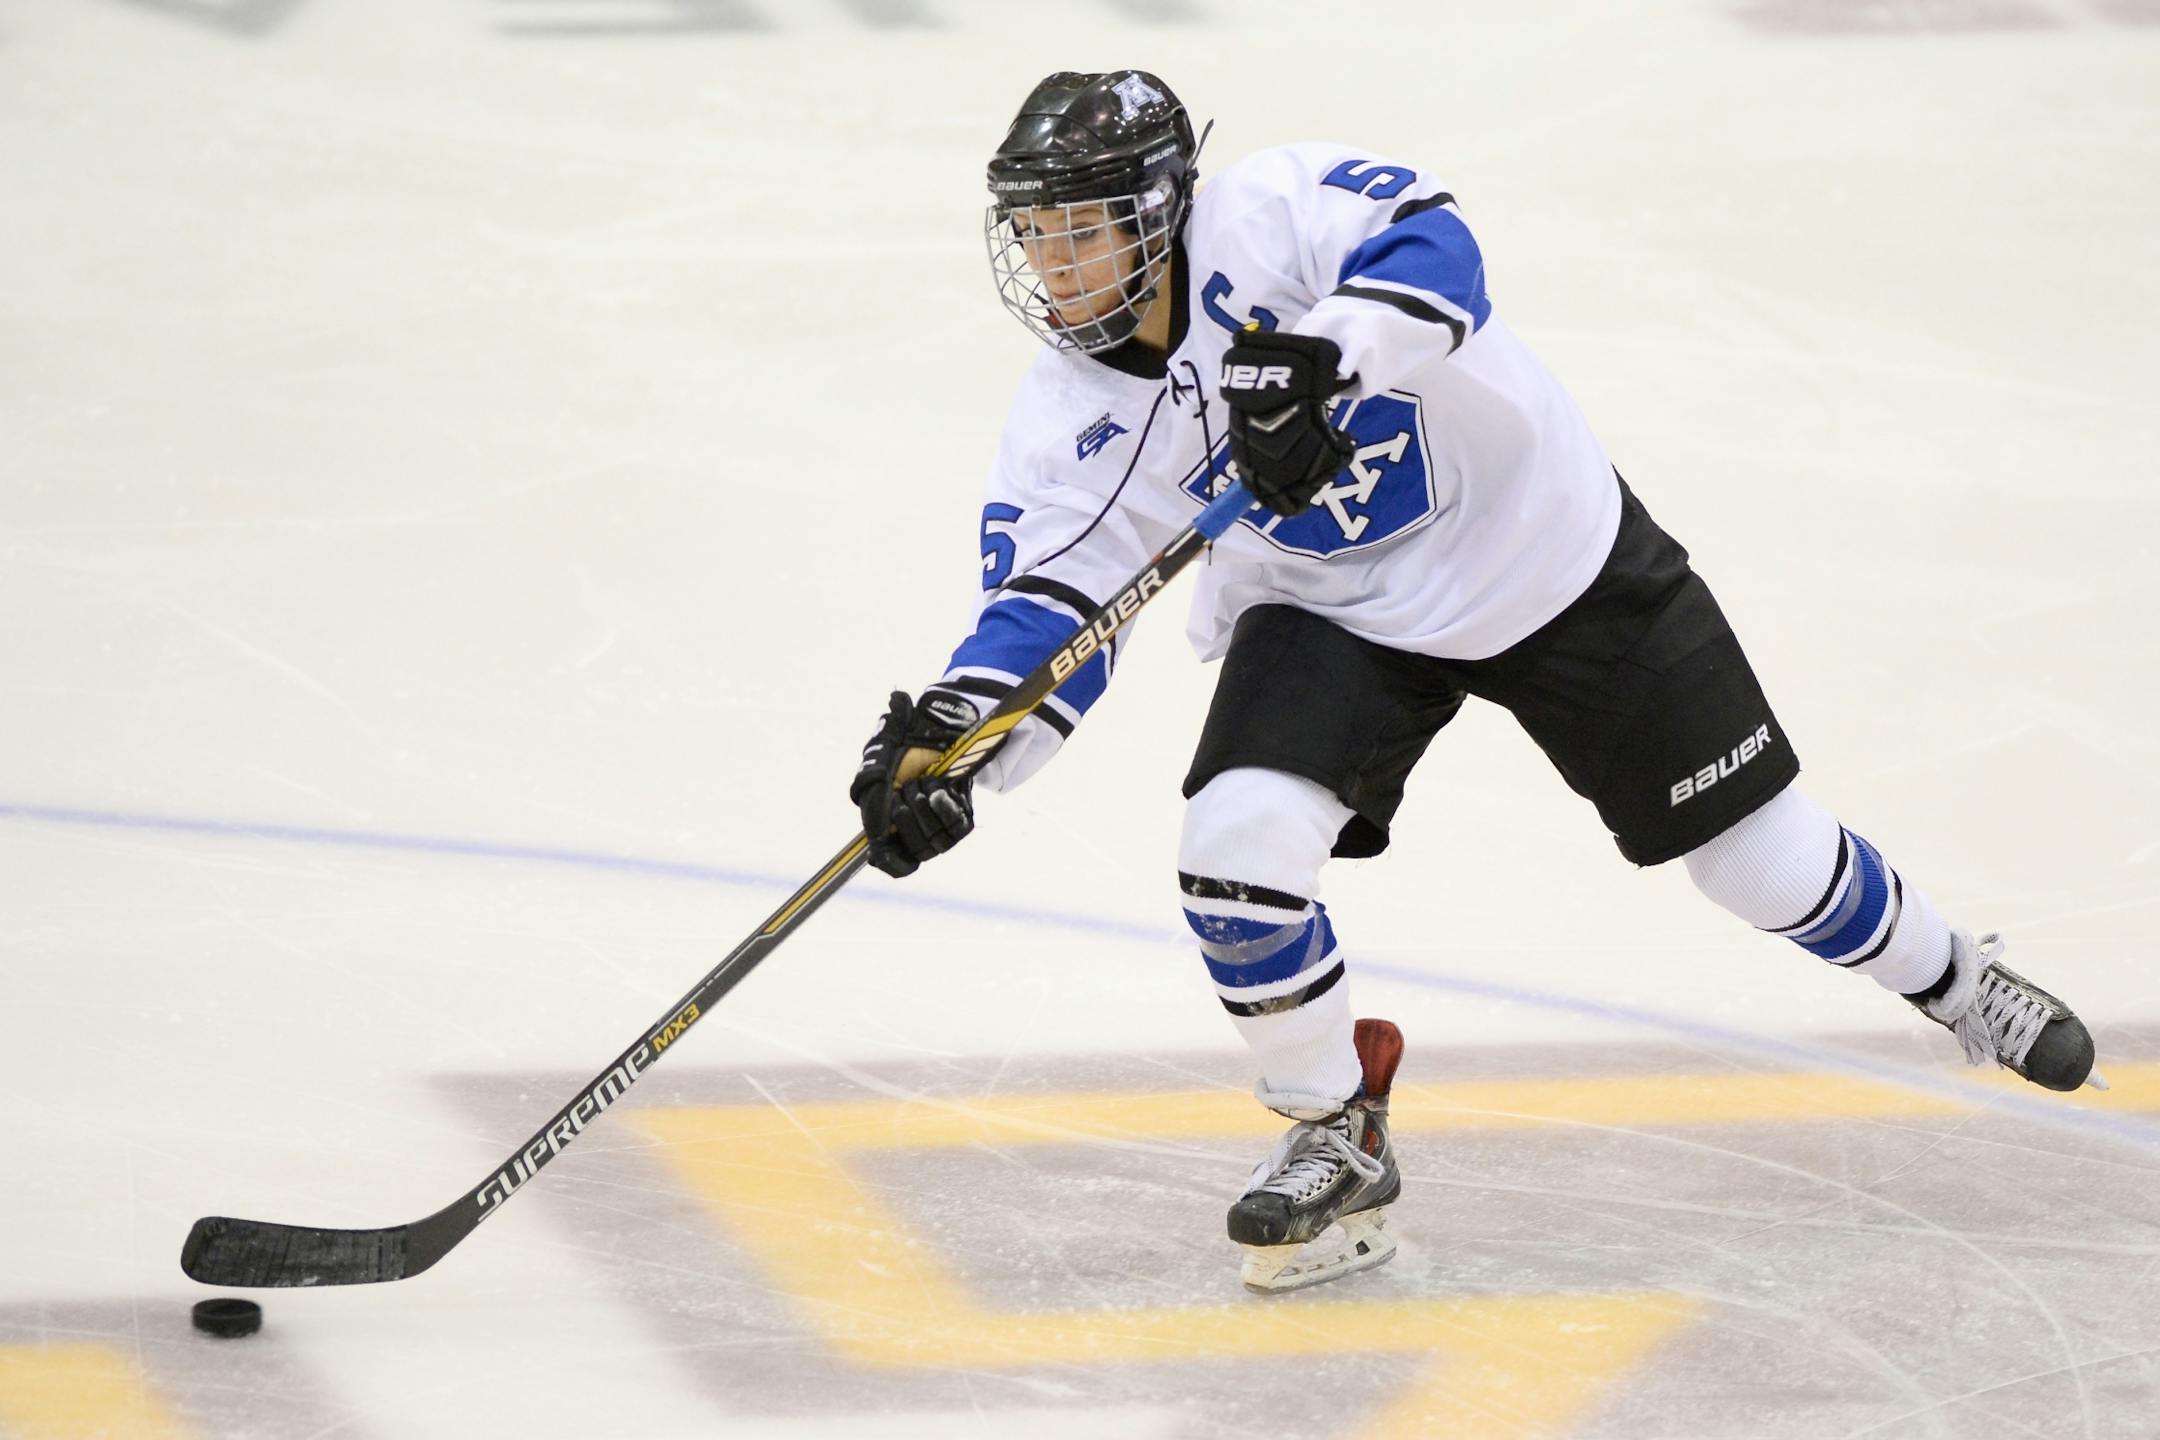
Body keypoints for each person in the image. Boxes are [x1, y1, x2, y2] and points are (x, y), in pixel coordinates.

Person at [848, 70, 2103, 1294]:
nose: (1056, 265)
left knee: (1756, 862)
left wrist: (1323, 357)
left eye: (1084, 230)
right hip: (1334, 608)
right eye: (1037, 235)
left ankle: (1955, 978)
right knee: (1236, 856)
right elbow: (1052, 599)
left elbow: (1438, 245)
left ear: (1164, 207)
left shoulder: (1274, 212)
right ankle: (1336, 1126)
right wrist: (957, 739)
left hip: (1544, 550)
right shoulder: (1069, 417)